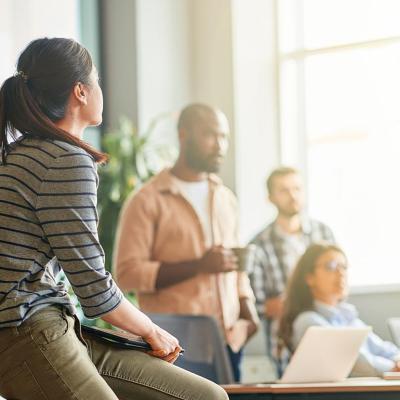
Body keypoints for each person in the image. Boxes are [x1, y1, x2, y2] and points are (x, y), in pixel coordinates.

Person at [0, 38, 228, 400]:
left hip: (55, 323)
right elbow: (94, 290)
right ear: (81, 92)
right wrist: (151, 331)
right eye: (97, 80)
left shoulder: (21, 153)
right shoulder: (65, 159)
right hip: (26, 330)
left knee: (207, 396)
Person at [114, 103, 259, 382]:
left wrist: (249, 314)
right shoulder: (146, 200)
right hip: (177, 347)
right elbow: (128, 274)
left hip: (229, 343)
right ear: (184, 135)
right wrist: (199, 266)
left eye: (224, 137)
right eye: (210, 135)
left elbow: (236, 269)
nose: (220, 145)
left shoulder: (226, 198)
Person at [249, 166, 335, 371]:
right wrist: (303, 301)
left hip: (330, 332)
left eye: (297, 188)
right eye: (284, 190)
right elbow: (258, 306)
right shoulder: (258, 245)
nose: (292, 195)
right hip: (285, 344)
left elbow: (338, 287)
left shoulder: (323, 233)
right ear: (270, 198)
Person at [278, 243, 400, 377]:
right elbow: (361, 364)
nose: (341, 273)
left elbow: (383, 348)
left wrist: (397, 360)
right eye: (330, 266)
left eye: (344, 267)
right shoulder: (308, 321)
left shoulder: (347, 318)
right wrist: (393, 367)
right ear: (309, 278)